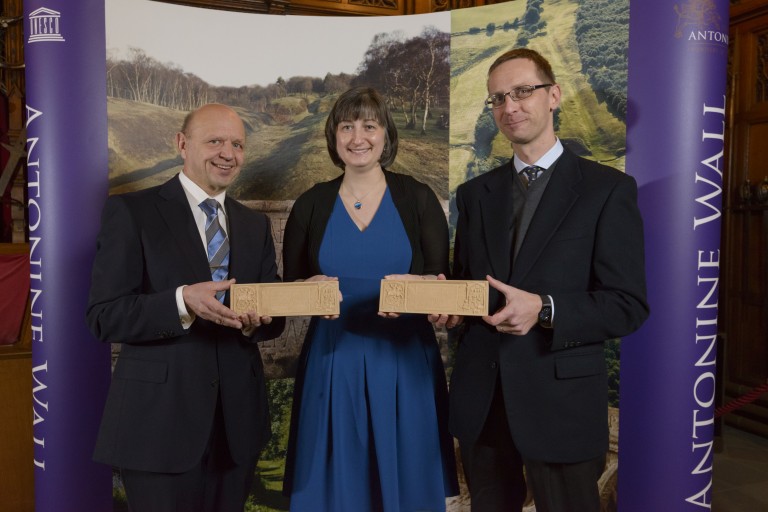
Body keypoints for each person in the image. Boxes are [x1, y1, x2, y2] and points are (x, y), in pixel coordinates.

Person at [446, 48, 650, 512]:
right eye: (497, 98)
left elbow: (627, 304)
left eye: (522, 91)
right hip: (485, 399)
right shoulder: (475, 194)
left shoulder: (607, 190)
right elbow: (471, 286)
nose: (509, 106)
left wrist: (546, 308)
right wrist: (452, 305)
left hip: (562, 402)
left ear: (553, 95)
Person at [86, 103, 286, 512]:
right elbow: (104, 315)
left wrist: (259, 319)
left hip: (237, 426)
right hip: (158, 426)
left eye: (237, 144)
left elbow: (273, 318)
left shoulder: (253, 225)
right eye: (214, 141)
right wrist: (182, 302)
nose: (228, 153)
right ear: (181, 144)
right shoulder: (131, 212)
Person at [281, 86, 459, 512]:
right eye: (346, 126)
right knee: (333, 491)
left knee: (407, 486)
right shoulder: (310, 204)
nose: (357, 136)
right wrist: (304, 294)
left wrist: (424, 295)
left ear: (386, 135)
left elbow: (445, 287)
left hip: (405, 362)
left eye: (369, 125)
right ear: (333, 136)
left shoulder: (418, 198)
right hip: (331, 362)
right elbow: (287, 292)